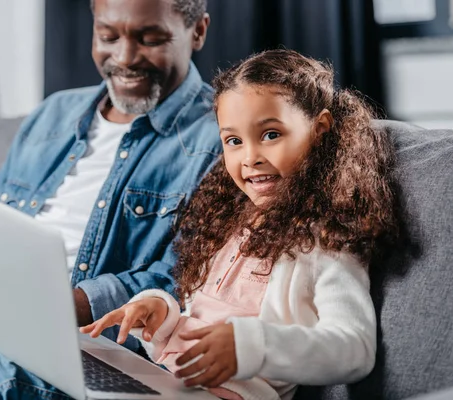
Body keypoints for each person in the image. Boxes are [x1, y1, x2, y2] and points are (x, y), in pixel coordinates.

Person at [0, 0, 219, 398]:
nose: (124, 58)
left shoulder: (221, 136)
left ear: (197, 32)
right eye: (108, 36)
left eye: (150, 39)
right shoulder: (54, 114)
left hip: (92, 348)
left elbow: (183, 281)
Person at [76, 49, 400, 400]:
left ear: (319, 130)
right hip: (170, 380)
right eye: (233, 141)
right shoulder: (230, 225)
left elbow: (354, 349)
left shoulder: (325, 241)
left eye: (271, 134)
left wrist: (250, 346)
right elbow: (199, 320)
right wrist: (160, 313)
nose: (250, 157)